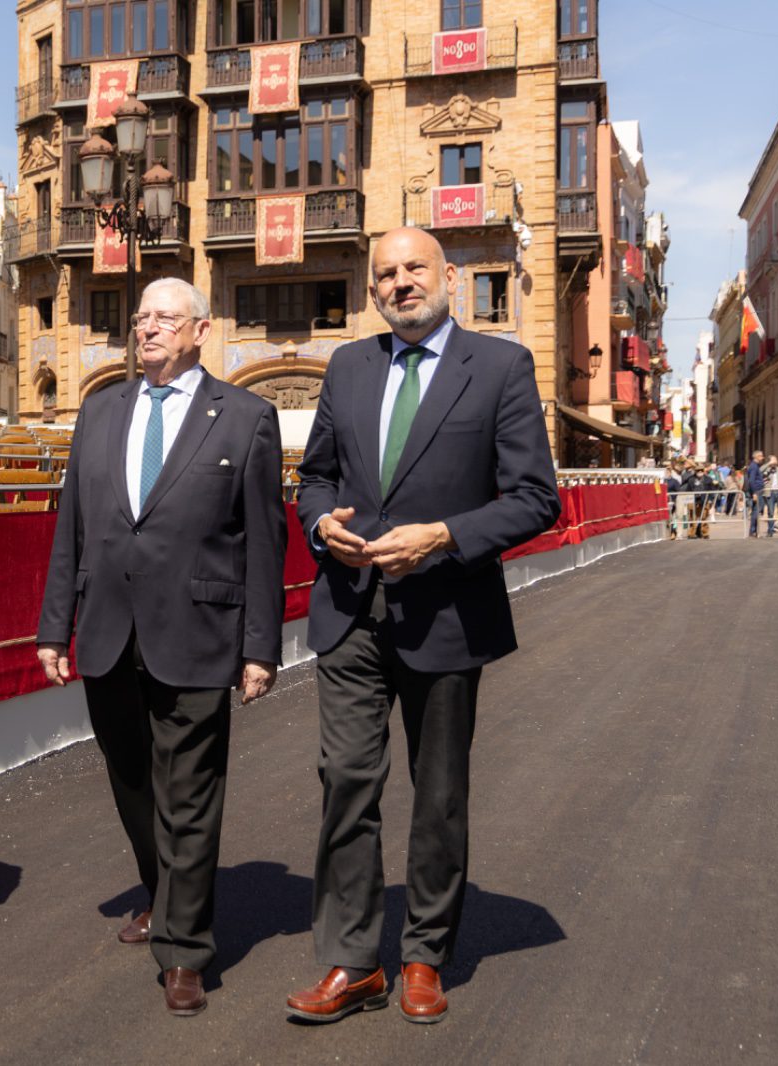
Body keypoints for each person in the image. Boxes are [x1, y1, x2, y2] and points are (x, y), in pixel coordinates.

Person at [288, 228, 560, 1026]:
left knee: (438, 793)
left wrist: (442, 536)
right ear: (372, 291)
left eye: (414, 269)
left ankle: (423, 956)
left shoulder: (502, 366)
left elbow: (534, 497)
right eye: (385, 275)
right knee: (345, 784)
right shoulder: (348, 366)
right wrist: (319, 527)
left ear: (448, 277)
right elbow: (317, 478)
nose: (400, 283)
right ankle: (350, 961)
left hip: (447, 611)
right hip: (349, 611)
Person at [36, 276, 285, 1017]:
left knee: (190, 794)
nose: (146, 329)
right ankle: (163, 890)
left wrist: (260, 647)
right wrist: (55, 626)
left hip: (201, 633)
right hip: (110, 633)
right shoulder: (99, 410)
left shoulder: (245, 418)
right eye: (141, 318)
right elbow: (71, 530)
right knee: (132, 783)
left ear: (200, 330)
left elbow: (266, 546)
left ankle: (184, 947)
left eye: (164, 318)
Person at [745, 451, 765, 536]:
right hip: (756, 491)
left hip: (757, 490)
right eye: (761, 456)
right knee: (756, 511)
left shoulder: (755, 466)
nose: (762, 458)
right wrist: (754, 493)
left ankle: (754, 530)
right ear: (756, 457)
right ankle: (753, 530)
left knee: (756, 511)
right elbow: (751, 481)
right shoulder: (754, 466)